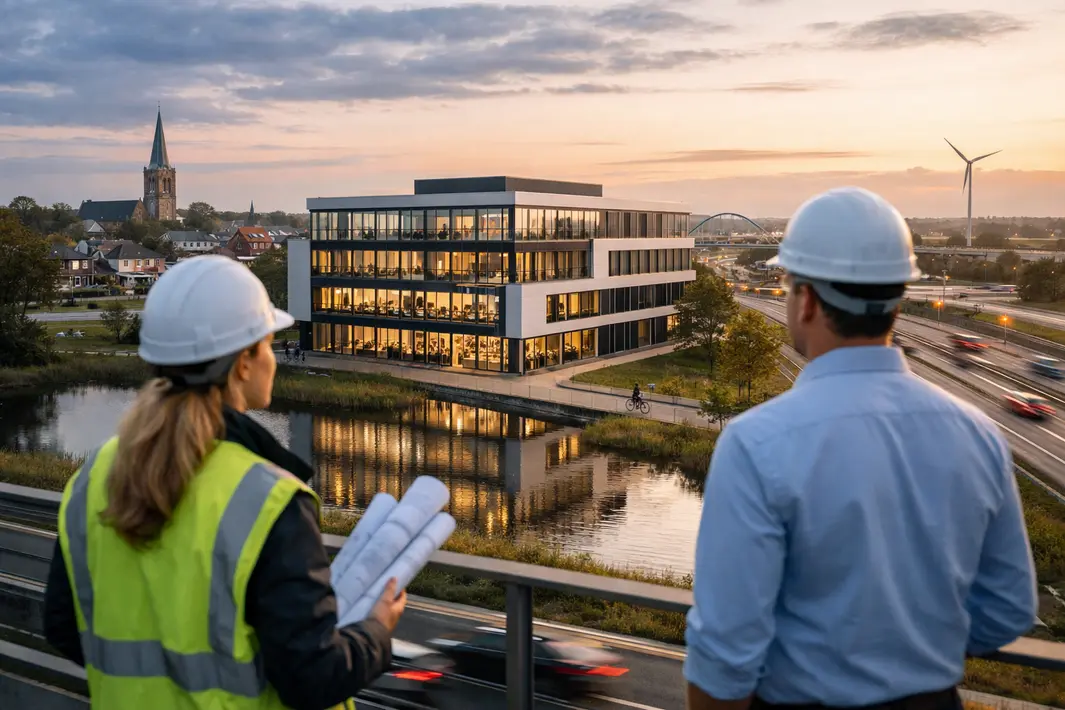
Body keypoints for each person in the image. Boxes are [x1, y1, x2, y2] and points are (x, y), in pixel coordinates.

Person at [684, 187, 1036, 710]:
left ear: (805, 300)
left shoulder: (758, 442)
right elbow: (1008, 611)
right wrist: (911, 648)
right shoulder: (977, 433)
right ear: (898, 297)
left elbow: (723, 658)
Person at [44, 255, 406, 710]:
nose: (274, 359)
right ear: (243, 363)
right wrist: (376, 630)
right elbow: (313, 679)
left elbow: (62, 625)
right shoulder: (269, 500)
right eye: (270, 345)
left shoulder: (94, 475)